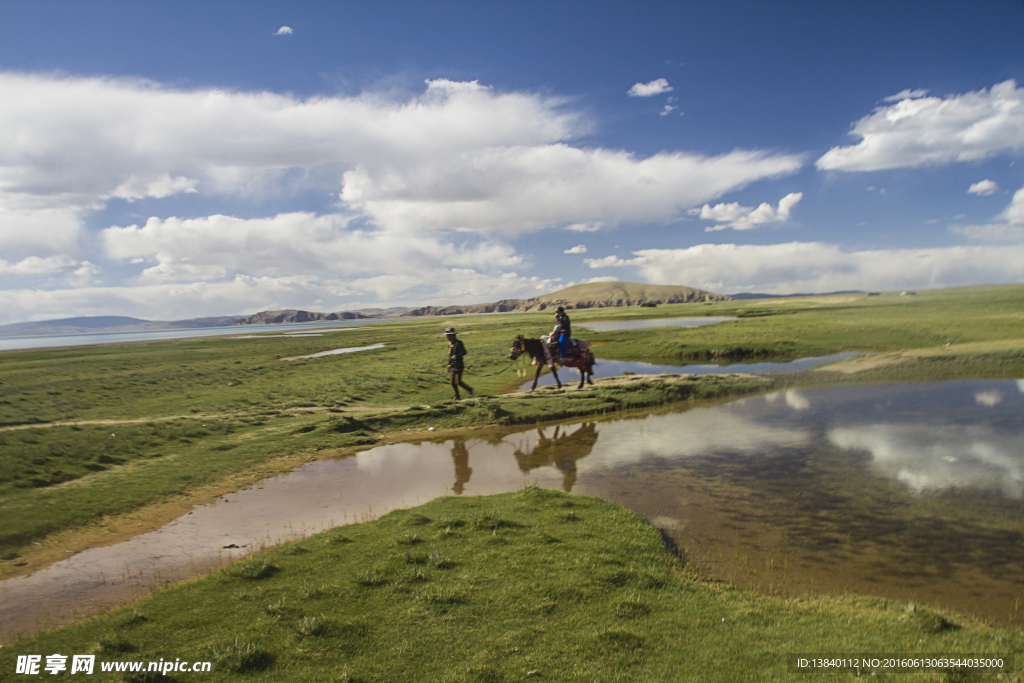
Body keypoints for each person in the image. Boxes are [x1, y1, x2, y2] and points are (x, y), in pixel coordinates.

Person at [444, 327, 474, 400]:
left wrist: (456, 356)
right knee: (452, 382)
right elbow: (450, 355)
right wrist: (448, 365)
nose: (447, 337)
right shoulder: (450, 344)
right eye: (446, 335)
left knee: (458, 382)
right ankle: (457, 396)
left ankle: (470, 390)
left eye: (448, 335)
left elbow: (464, 352)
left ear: (453, 335)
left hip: (459, 365)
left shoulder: (459, 343)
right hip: (452, 365)